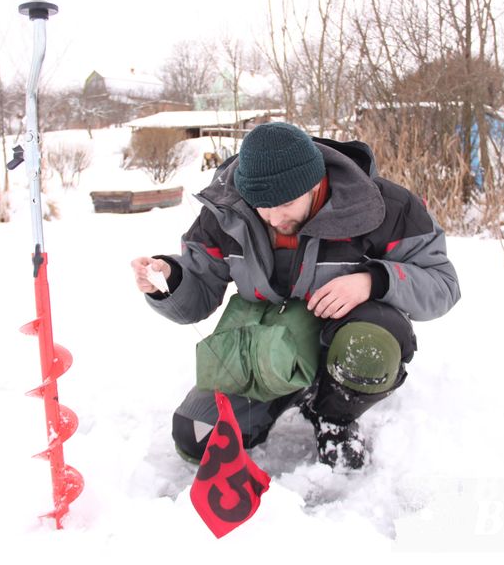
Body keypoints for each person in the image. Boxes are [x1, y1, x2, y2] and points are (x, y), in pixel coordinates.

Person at [131, 122, 460, 470]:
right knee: (196, 434)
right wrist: (170, 279)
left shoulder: (381, 206)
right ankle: (291, 390)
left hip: (342, 337)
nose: (274, 218)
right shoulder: (226, 210)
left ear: (315, 182)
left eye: (286, 203)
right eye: (262, 206)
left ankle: (335, 415)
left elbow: (442, 284)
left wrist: (373, 281)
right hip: (269, 352)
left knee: (370, 345)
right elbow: (196, 295)